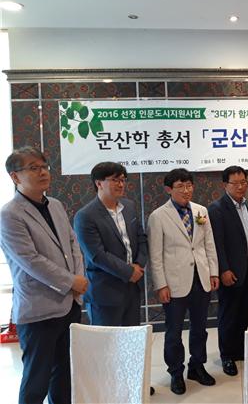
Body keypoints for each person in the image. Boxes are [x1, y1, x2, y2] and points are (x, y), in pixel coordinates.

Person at [1, 146, 87, 404]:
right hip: (39, 309)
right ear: (15, 176)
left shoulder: (56, 205)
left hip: (69, 303)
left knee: (63, 375)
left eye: (44, 166)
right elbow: (30, 260)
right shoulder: (9, 214)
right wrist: (71, 281)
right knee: (36, 381)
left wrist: (78, 280)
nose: (43, 172)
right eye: (33, 168)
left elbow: (73, 244)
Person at [147, 168, 219, 395]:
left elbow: (209, 244)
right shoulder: (158, 216)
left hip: (201, 278)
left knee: (200, 328)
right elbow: (155, 255)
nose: (186, 190)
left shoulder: (201, 211)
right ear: (168, 189)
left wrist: (214, 272)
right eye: (180, 186)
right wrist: (161, 284)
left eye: (189, 186)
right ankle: (176, 372)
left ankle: (197, 366)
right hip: (174, 282)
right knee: (174, 331)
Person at [74, 162, 148, 326]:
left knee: (131, 338)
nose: (121, 184)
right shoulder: (85, 216)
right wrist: (129, 271)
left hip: (133, 287)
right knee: (107, 340)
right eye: (115, 180)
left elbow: (141, 238)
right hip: (105, 292)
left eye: (123, 180)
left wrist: (139, 265)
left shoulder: (129, 207)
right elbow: (97, 255)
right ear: (99, 183)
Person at [208, 166, 248, 377]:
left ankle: (239, 349)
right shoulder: (217, 209)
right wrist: (224, 270)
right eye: (235, 183)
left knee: (244, 311)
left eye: (243, 182)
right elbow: (217, 243)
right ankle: (227, 355)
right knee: (228, 314)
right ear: (224, 185)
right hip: (230, 270)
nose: (240, 187)